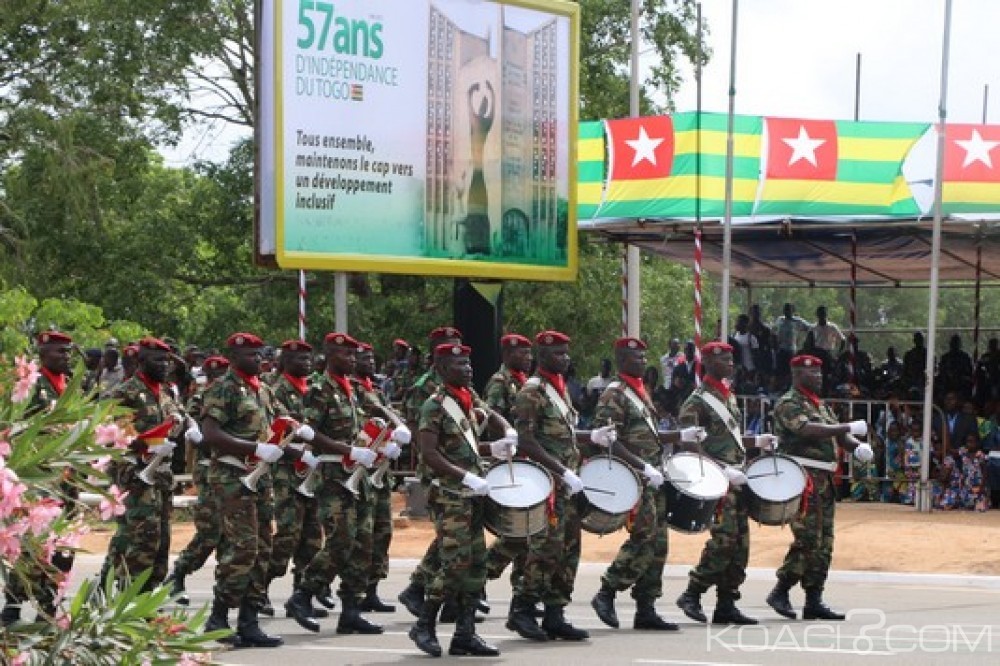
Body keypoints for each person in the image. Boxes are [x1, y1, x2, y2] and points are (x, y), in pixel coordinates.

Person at [408, 342, 515, 657]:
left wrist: (495, 445)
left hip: (473, 494)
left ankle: (465, 634)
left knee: (477, 565)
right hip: (450, 495)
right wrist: (465, 476)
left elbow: (464, 446)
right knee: (456, 564)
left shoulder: (467, 401)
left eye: (469, 363)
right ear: (441, 369)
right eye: (459, 364)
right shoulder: (435, 405)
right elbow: (429, 453)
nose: (468, 369)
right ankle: (424, 624)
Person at [285, 332, 396, 635]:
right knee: (341, 539)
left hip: (360, 477)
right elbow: (308, 430)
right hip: (334, 476)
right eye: (345, 354)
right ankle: (303, 594)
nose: (351, 359)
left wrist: (383, 445)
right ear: (330, 355)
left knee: (363, 543)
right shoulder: (320, 389)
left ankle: (351, 610)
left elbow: (362, 428)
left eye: (353, 354)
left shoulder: (352, 390)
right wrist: (347, 451)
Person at [201, 332, 300, 648]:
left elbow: (270, 433)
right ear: (233, 356)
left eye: (261, 355)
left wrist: (293, 448)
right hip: (232, 477)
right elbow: (210, 434)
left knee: (262, 549)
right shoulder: (223, 389)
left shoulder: (264, 391)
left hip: (261, 479)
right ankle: (218, 616)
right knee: (242, 547)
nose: (258, 360)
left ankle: (249, 620)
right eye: (251, 355)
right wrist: (253, 447)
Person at [675, 342, 777, 625]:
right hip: (716, 481)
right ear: (707, 361)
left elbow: (728, 439)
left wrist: (756, 442)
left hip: (736, 478)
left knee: (740, 545)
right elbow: (688, 446)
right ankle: (692, 594)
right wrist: (722, 470)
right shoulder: (696, 402)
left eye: (732, 358)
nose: (731, 363)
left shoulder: (727, 396)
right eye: (724, 358)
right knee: (724, 541)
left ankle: (726, 603)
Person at [765, 354, 873, 621]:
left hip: (824, 481)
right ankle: (781, 589)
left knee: (825, 542)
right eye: (812, 374)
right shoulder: (789, 403)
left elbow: (837, 433)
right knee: (808, 538)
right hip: (803, 478)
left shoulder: (820, 405)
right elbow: (806, 430)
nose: (819, 378)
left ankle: (814, 598)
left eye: (820, 374)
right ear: (797, 374)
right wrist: (847, 426)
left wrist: (856, 446)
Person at [589, 337, 683, 631]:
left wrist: (683, 436)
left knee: (659, 545)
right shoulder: (614, 395)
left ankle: (646, 607)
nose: (641, 362)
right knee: (644, 538)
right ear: (620, 361)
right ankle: (607, 591)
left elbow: (649, 437)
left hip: (654, 477)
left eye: (643, 357)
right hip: (634, 477)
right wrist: (643, 467)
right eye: (634, 358)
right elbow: (608, 440)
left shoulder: (640, 393)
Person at [506, 330, 589, 642]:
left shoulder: (560, 389)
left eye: (567, 353)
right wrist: (560, 471)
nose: (564, 359)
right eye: (558, 354)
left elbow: (563, 436)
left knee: (569, 548)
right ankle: (522, 609)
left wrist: (592, 439)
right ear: (542, 355)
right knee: (545, 549)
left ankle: (555, 613)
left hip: (566, 483)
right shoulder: (532, 391)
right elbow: (526, 440)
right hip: (546, 484)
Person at [2, 331, 79, 626]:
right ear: (43, 353)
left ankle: (46, 608)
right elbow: (17, 426)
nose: (66, 357)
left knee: (61, 544)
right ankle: (16, 603)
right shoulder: (35, 386)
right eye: (60, 352)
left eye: (68, 353)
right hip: (41, 475)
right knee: (36, 544)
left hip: (67, 476)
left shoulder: (69, 386)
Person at [103, 337, 183, 591]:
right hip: (136, 475)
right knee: (141, 539)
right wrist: (142, 444)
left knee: (161, 539)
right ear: (140, 361)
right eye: (157, 360)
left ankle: (146, 594)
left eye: (166, 360)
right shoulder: (124, 394)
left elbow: (176, 419)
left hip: (160, 475)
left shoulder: (166, 392)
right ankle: (132, 597)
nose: (164, 365)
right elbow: (111, 436)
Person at [397, 326, 463, 619]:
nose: (454, 352)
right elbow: (417, 430)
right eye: (447, 347)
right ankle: (424, 589)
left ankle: (448, 597)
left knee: (454, 536)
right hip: (438, 471)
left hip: (459, 468)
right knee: (450, 535)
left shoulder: (461, 383)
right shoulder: (426, 387)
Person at [262, 340, 324, 618]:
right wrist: (298, 451)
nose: (307, 363)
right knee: (287, 536)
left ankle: (301, 597)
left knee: (312, 537)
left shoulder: (313, 391)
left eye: (309, 358)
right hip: (285, 473)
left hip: (310, 472)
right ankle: (258, 590)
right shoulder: (277, 393)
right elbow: (272, 435)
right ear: (284, 361)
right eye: (300, 359)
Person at [166, 355, 230, 605]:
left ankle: (229, 587)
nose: (217, 380)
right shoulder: (200, 398)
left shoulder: (236, 394)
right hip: (208, 467)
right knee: (211, 529)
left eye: (221, 374)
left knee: (231, 531)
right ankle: (179, 572)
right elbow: (190, 428)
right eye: (213, 376)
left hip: (233, 469)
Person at [352, 340, 409, 613]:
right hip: (358, 469)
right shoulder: (354, 389)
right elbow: (377, 413)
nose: (370, 363)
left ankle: (371, 588)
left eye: (372, 358)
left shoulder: (373, 387)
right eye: (364, 358)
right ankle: (349, 590)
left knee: (381, 531)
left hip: (379, 470)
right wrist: (397, 424)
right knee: (361, 534)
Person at [482, 333, 533, 608]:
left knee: (528, 532)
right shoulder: (500, 382)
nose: (527, 357)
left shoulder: (526, 383)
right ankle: (480, 578)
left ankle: (521, 591)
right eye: (521, 353)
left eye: (528, 353)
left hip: (529, 463)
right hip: (511, 462)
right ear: (507, 354)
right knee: (517, 533)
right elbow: (491, 417)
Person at [772, 303, 812, 386]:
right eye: (785, 309)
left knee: (791, 371)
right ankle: (781, 388)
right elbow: (774, 331)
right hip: (780, 350)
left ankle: (790, 387)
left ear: (793, 311)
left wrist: (805, 345)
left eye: (789, 309)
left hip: (791, 350)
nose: (786, 311)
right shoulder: (780, 320)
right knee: (780, 371)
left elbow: (810, 329)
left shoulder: (797, 321)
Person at [901, 331, 927, 396]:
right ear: (914, 340)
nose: (918, 341)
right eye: (917, 339)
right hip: (910, 382)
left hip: (924, 382)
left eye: (920, 339)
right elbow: (905, 369)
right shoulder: (909, 354)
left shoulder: (928, 354)